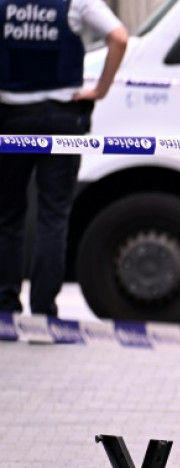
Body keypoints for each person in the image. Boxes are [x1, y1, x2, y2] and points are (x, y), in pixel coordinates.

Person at [0, 0, 127, 317]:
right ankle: (44, 311)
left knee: (7, 216)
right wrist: (100, 90)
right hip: (62, 116)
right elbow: (120, 38)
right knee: (53, 216)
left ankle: (5, 307)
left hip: (11, 117)